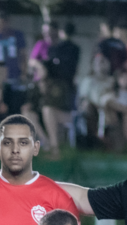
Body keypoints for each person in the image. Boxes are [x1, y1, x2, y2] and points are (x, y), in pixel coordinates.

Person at [40, 22, 80, 159]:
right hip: (56, 93)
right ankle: (52, 146)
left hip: (63, 94)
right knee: (45, 110)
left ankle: (55, 148)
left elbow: (66, 71)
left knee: (48, 110)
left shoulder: (68, 49)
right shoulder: (55, 50)